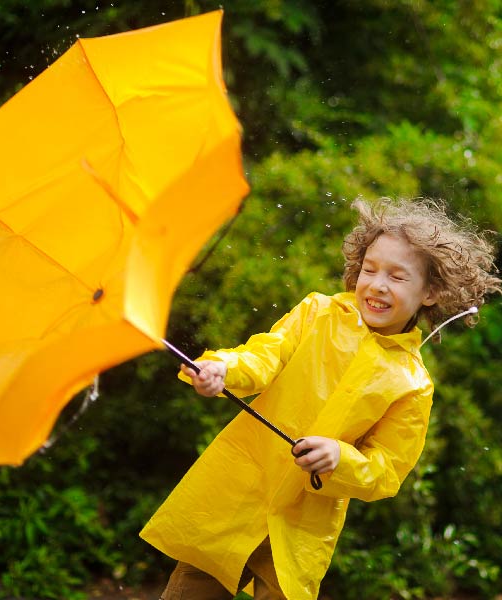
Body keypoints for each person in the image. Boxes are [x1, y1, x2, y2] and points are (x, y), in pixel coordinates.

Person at [140, 198, 502, 600]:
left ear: (431, 292)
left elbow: (385, 471)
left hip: (301, 528)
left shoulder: (412, 384)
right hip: (234, 496)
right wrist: (223, 369)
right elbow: (265, 355)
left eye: (397, 277)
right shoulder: (317, 313)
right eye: (370, 269)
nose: (377, 285)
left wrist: (340, 458)